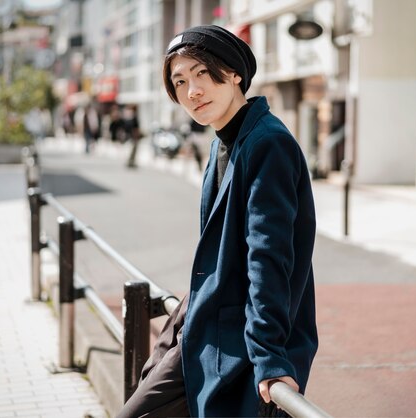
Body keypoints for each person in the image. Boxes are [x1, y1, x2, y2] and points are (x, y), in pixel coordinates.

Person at [117, 25, 318, 417]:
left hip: (242, 342)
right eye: (179, 81)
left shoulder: (268, 143)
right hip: (206, 328)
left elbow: (269, 256)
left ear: (234, 73)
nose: (192, 90)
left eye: (202, 74)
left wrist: (270, 357)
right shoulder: (223, 144)